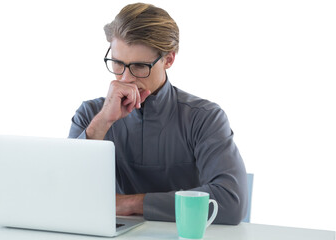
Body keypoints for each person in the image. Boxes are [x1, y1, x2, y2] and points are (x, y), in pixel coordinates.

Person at [69, 3, 248, 225]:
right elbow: (65, 194)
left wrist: (130, 204)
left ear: (169, 59)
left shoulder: (204, 118)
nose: (125, 78)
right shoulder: (91, 115)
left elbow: (232, 202)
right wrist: (104, 120)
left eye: (140, 66)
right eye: (117, 63)